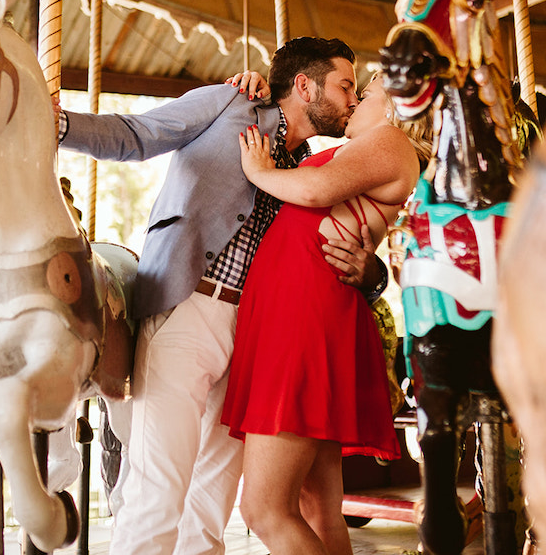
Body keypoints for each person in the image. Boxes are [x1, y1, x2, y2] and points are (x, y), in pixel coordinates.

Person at [56, 37, 389, 555]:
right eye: (345, 86)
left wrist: (373, 275)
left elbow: (339, 245)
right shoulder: (230, 103)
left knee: (211, 506)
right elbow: (139, 134)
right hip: (188, 305)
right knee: (158, 491)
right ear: (304, 85)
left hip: (255, 337)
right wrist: (59, 127)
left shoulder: (308, 168)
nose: (351, 100)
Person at [222, 77, 419, 555]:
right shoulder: (370, 149)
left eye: (365, 93)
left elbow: (316, 189)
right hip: (298, 309)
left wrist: (257, 170)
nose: (354, 102)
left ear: (392, 107)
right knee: (316, 507)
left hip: (302, 315)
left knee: (264, 509)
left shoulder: (391, 142)